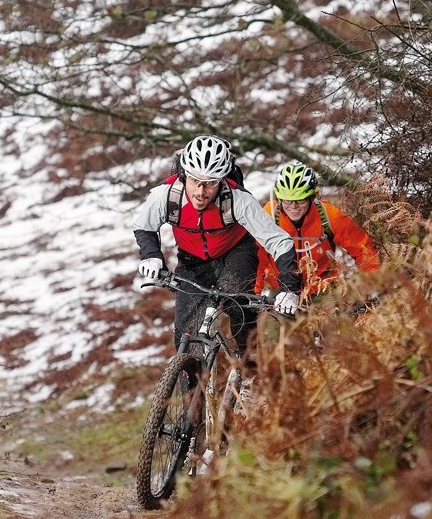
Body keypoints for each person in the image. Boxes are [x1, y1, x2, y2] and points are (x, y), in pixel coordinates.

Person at [133, 135, 302, 358]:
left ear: (221, 180)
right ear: (184, 175)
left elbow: (278, 241)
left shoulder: (238, 199)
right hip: (192, 261)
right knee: (185, 336)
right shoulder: (166, 196)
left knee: (238, 304)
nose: (201, 192)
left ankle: (250, 370)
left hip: (236, 253)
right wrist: (151, 255)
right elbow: (144, 227)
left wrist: (290, 288)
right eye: (195, 181)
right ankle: (190, 386)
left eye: (211, 183)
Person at [255, 161, 381, 301]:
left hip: (322, 288)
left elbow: (363, 249)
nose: (294, 206)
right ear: (279, 199)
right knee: (273, 322)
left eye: (300, 200)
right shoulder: (269, 217)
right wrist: (253, 294)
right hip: (281, 290)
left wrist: (376, 283)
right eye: (287, 201)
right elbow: (256, 259)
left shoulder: (330, 216)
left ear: (311, 197)